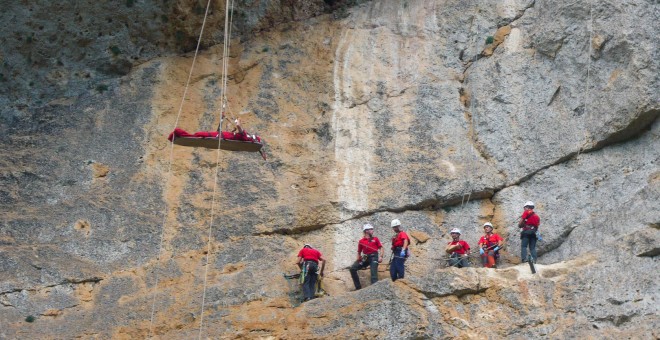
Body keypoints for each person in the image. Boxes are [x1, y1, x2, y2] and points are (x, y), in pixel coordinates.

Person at [349, 224, 384, 290]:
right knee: (353, 268)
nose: (372, 230)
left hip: (374, 256)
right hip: (365, 257)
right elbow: (359, 251)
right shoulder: (361, 241)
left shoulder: (375, 239)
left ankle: (374, 289)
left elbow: (381, 248)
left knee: (373, 273)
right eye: (371, 229)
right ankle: (358, 287)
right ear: (366, 231)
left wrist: (381, 256)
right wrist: (358, 258)